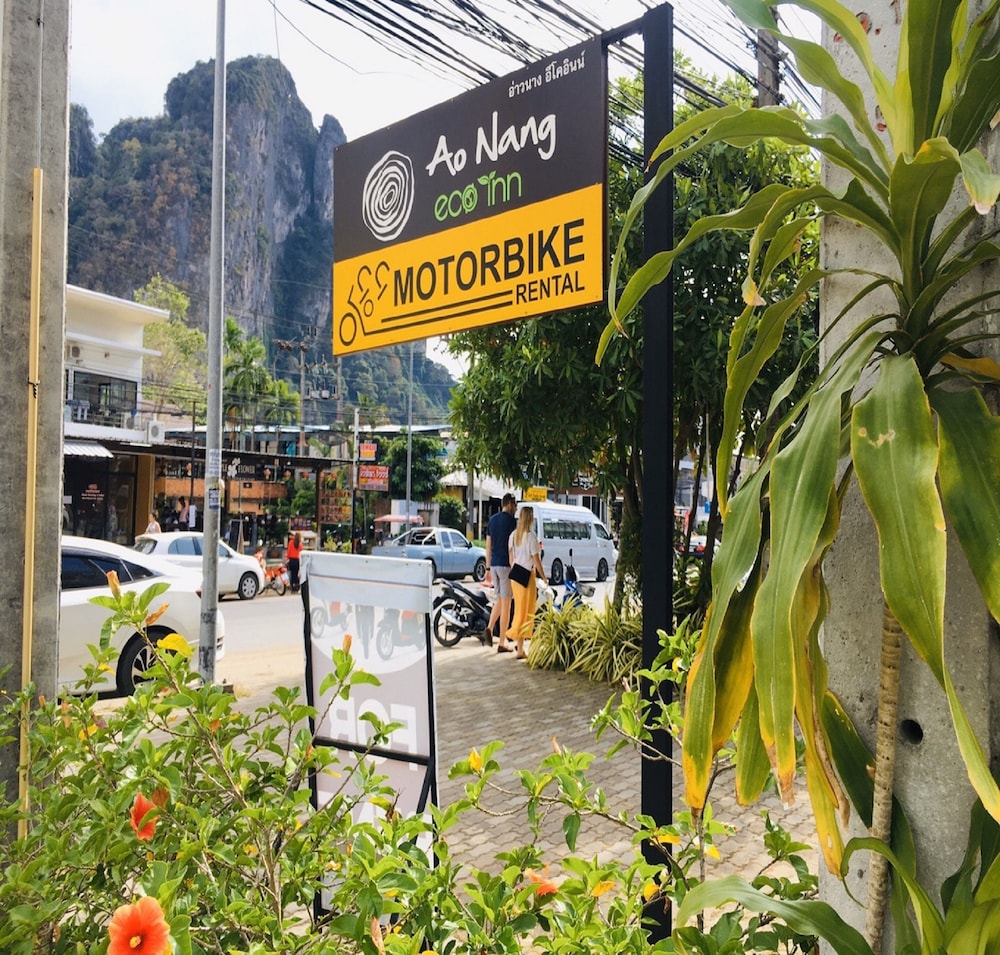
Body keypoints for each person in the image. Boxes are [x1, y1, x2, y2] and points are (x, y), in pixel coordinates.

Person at [507, 505, 546, 660]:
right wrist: (544, 577)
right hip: (527, 577)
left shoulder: (513, 535)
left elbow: (511, 558)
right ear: (530, 518)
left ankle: (519, 646)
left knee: (519, 609)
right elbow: (536, 560)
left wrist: (516, 568)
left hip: (515, 576)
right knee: (527, 611)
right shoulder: (531, 537)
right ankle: (520, 649)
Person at [484, 493, 517, 652]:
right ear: (509, 504)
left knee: (499, 600)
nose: (515, 508)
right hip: (506, 566)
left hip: (494, 566)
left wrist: (487, 568)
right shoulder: (511, 522)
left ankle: (490, 628)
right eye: (515, 505)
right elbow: (513, 546)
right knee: (507, 606)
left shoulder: (492, 520)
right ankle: (502, 642)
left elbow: (488, 546)